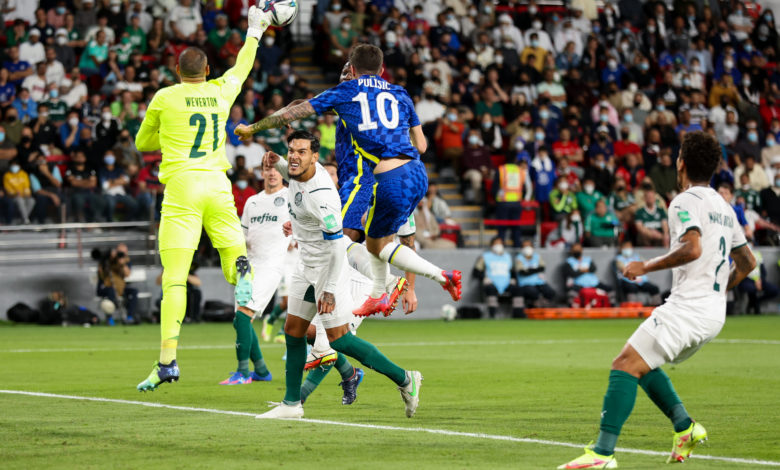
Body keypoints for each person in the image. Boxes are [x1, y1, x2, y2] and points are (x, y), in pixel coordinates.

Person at [559, 131, 756, 469]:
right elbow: (749, 263)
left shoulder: (684, 201)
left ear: (681, 163)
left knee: (624, 363)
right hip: (712, 312)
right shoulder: (725, 208)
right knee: (642, 363)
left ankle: (603, 454)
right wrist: (717, 290)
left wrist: (644, 266)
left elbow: (692, 248)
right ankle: (686, 427)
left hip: (689, 308)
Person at [235, 44, 461, 318]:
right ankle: (379, 294)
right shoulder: (400, 93)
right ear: (382, 70)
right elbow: (422, 146)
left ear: (352, 70)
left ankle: (433, 277)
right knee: (378, 245)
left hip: (384, 179)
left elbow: (292, 113)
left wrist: (252, 128)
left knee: (342, 240)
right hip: (416, 173)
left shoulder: (346, 93)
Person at [134, 6, 274, 392]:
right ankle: (241, 273)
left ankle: (167, 362)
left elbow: (141, 143)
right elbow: (243, 68)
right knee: (233, 255)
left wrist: (168, 135)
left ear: (178, 72)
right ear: (208, 71)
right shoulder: (220, 91)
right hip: (217, 184)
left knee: (175, 279)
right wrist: (254, 31)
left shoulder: (165, 98)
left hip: (182, 188)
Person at [256, 131, 423, 419]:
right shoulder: (298, 170)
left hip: (330, 269)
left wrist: (330, 289)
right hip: (306, 264)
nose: (294, 156)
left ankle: (405, 378)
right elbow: (291, 169)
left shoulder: (322, 196)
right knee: (294, 332)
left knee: (339, 340)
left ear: (315, 156)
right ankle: (292, 405)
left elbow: (337, 248)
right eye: (291, 150)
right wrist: (277, 160)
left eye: (301, 151)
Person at [220, 164, 290, 385]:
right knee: (240, 320)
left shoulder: (291, 196)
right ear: (261, 173)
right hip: (249, 266)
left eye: (275, 169)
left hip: (272, 265)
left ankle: (242, 372)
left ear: (282, 172)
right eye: (267, 169)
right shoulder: (252, 201)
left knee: (242, 315)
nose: (271, 173)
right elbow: (244, 235)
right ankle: (260, 370)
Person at [472, 237, 523, 318]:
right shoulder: (485, 257)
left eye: (500, 243)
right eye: (496, 243)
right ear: (492, 245)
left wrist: (513, 279)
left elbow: (512, 270)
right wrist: (484, 278)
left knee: (517, 289)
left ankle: (518, 315)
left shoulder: (507, 257)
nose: (498, 245)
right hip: (492, 282)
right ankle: (492, 315)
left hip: (506, 282)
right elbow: (476, 271)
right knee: (490, 289)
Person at [614, 240, 661, 304]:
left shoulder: (636, 256)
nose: (628, 249)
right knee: (632, 288)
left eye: (629, 247)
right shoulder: (619, 259)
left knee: (654, 288)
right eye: (626, 247)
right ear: (621, 248)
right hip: (628, 280)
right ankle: (633, 308)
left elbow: (645, 265)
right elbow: (624, 269)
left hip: (641, 280)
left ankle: (655, 306)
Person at [737, 246, 779, 315]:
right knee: (751, 289)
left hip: (759, 280)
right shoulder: (740, 255)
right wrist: (756, 280)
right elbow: (742, 271)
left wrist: (760, 280)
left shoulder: (757, 254)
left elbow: (763, 271)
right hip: (746, 280)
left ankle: (757, 301)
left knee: (775, 290)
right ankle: (755, 307)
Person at [514, 240, 556, 308]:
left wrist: (529, 270)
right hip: (525, 283)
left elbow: (542, 268)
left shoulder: (537, 256)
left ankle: (546, 307)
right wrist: (536, 269)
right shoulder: (519, 258)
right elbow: (523, 272)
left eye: (529, 246)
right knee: (533, 292)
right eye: (525, 246)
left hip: (539, 282)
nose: (527, 248)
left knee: (550, 292)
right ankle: (534, 306)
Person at [634, 183, 670, 247]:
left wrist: (665, 234)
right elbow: (639, 227)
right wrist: (650, 233)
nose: (650, 199)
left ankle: (666, 254)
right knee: (643, 236)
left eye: (651, 197)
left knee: (667, 237)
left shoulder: (660, 210)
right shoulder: (640, 212)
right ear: (645, 199)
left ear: (655, 198)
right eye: (648, 197)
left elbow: (664, 224)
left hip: (660, 235)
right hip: (647, 235)